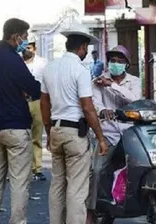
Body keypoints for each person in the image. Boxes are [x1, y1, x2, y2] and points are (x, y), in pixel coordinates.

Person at [40, 26, 108, 224]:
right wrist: (101, 138)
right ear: (83, 47)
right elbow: (87, 107)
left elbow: (44, 103)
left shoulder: (50, 68)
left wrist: (49, 131)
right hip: (74, 134)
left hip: (56, 129)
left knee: (58, 184)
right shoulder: (81, 71)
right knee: (77, 188)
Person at [0, 18, 41, 223]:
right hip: (17, 128)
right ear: (15, 36)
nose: (26, 41)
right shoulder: (14, 60)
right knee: (19, 182)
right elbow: (33, 88)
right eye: (25, 36)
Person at [86, 45, 142, 223]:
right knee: (97, 170)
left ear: (126, 64)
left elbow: (134, 100)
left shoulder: (134, 81)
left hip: (130, 133)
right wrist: (103, 111)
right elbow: (95, 103)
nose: (115, 64)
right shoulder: (98, 81)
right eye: (112, 61)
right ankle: (93, 210)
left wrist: (113, 85)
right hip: (108, 133)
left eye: (120, 61)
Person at [23, 35, 48, 181]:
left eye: (29, 47)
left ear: (34, 48)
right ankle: (21, 169)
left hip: (37, 102)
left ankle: (37, 168)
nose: (26, 50)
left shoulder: (43, 64)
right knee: (21, 137)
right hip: (20, 103)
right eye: (25, 47)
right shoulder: (17, 63)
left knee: (36, 136)